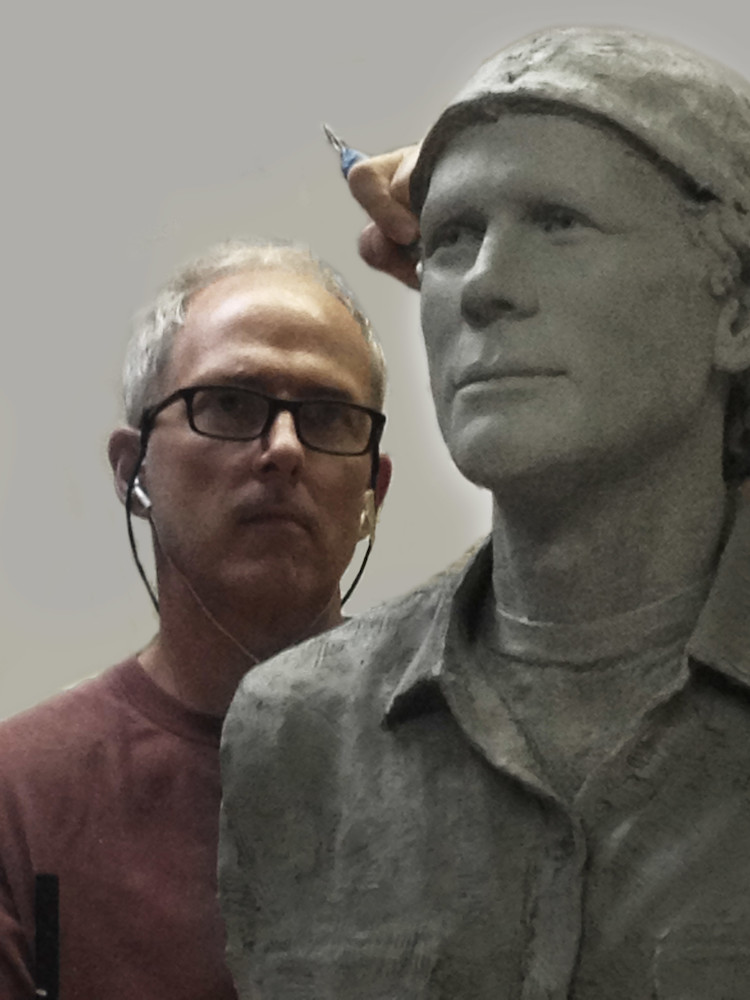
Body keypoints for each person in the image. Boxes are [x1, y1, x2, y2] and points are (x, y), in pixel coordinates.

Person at [219, 27, 750, 1000]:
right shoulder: (294, 733)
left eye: (560, 221)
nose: (486, 288)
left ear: (736, 312)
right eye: (453, 238)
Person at [0, 239, 391, 999]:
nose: (283, 450)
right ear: (132, 470)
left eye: (328, 415)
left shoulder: (474, 766)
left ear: (374, 486)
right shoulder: (19, 796)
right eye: (231, 405)